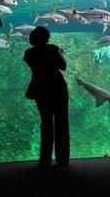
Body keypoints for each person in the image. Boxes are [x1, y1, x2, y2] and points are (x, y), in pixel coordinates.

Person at [23, 26, 70, 168]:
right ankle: (62, 159)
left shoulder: (28, 53)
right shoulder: (52, 49)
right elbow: (63, 66)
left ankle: (45, 160)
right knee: (61, 123)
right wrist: (60, 53)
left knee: (46, 124)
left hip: (40, 89)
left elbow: (36, 65)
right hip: (57, 88)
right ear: (47, 37)